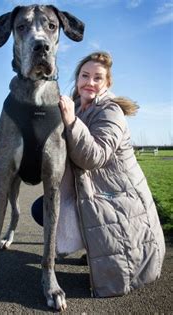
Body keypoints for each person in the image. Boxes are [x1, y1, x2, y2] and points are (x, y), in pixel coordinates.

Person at [33, 51, 165, 297]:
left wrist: (71, 122)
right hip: (95, 191)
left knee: (48, 210)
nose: (90, 83)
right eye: (85, 76)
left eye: (97, 78)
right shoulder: (76, 104)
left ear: (107, 83)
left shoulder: (110, 111)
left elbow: (94, 158)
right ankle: (89, 244)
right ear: (77, 78)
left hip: (117, 199)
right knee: (42, 207)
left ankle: (95, 244)